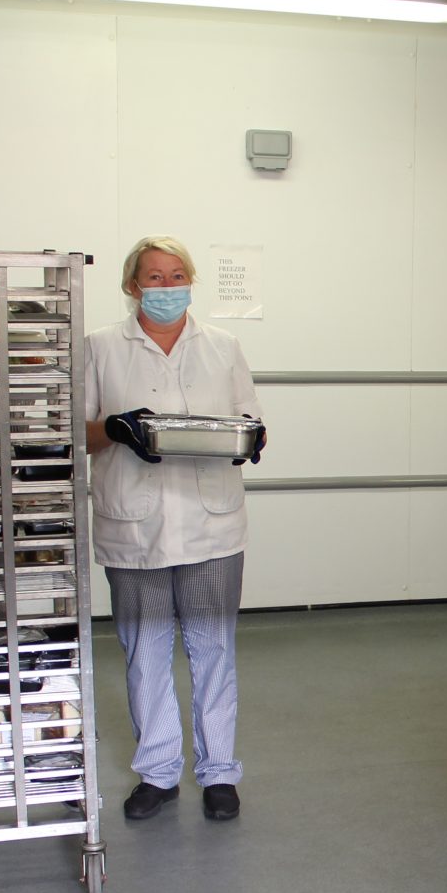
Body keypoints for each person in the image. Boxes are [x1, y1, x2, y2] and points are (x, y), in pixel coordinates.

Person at [84, 236, 265, 823]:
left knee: (213, 650)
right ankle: (158, 774)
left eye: (176, 274)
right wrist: (112, 429)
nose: (166, 286)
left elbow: (250, 422)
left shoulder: (223, 346)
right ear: (132, 286)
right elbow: (73, 434)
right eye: (153, 277)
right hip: (133, 527)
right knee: (145, 653)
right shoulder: (100, 348)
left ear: (191, 281)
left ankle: (219, 773)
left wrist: (253, 440)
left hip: (211, 526)